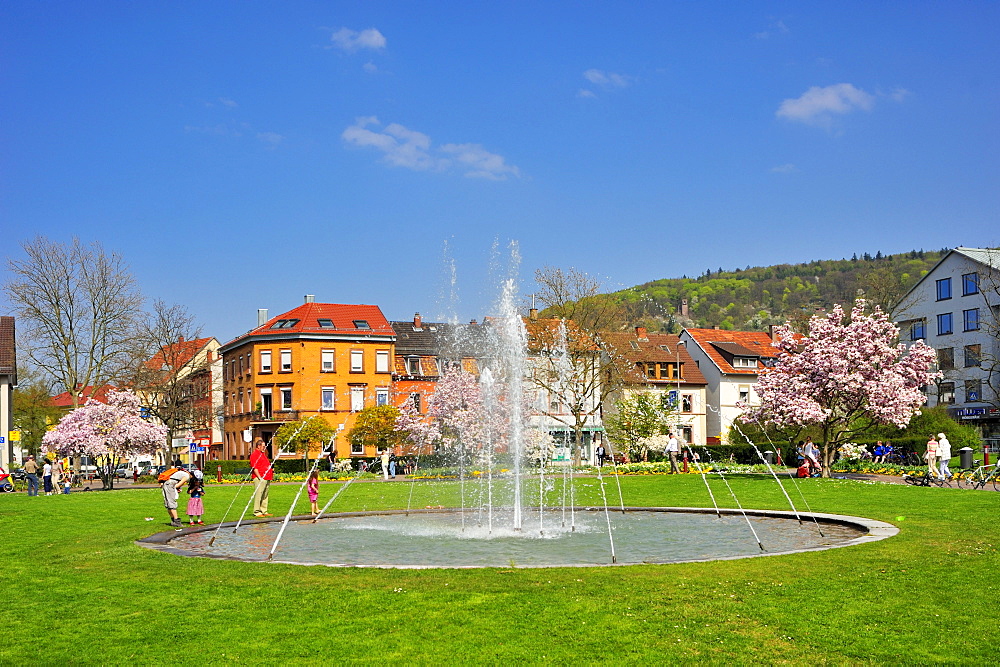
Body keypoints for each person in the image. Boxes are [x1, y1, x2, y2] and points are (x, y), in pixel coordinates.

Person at [249, 438, 273, 517]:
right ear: (258, 446)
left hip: (267, 477)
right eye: (263, 446)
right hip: (260, 478)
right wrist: (259, 477)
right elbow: (255, 468)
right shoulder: (255, 455)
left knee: (265, 495)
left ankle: (264, 510)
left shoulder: (262, 454)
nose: (264, 447)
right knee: (259, 494)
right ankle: (257, 511)